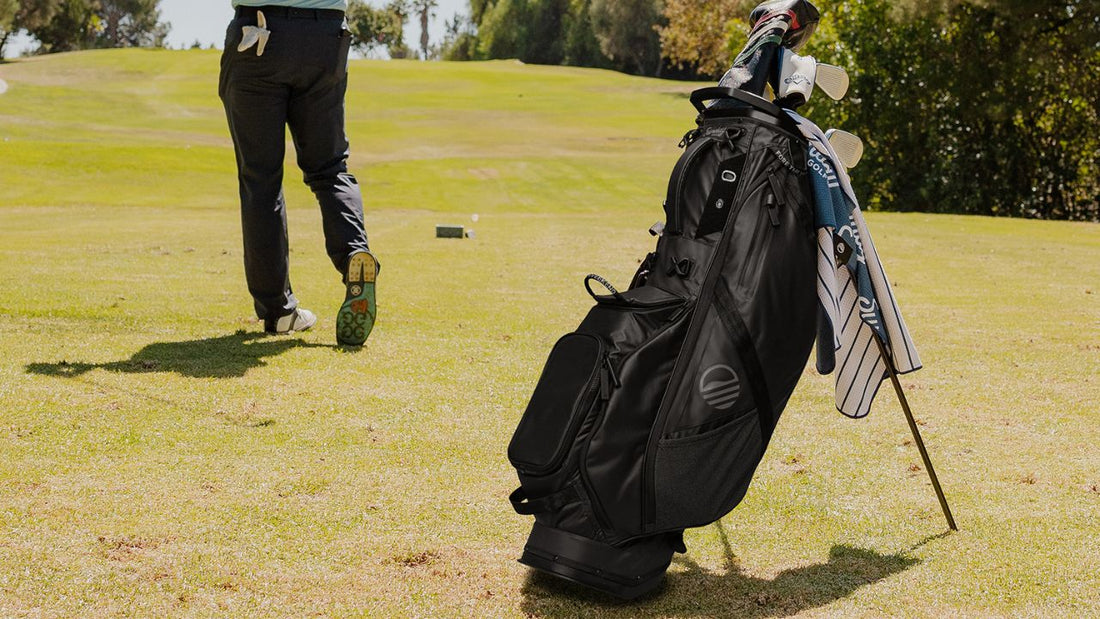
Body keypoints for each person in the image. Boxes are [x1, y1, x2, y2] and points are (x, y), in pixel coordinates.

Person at [219, 1, 378, 346]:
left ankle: (278, 312)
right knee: (330, 168)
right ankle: (353, 254)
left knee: (260, 179)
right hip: (325, 37)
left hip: (258, 34)